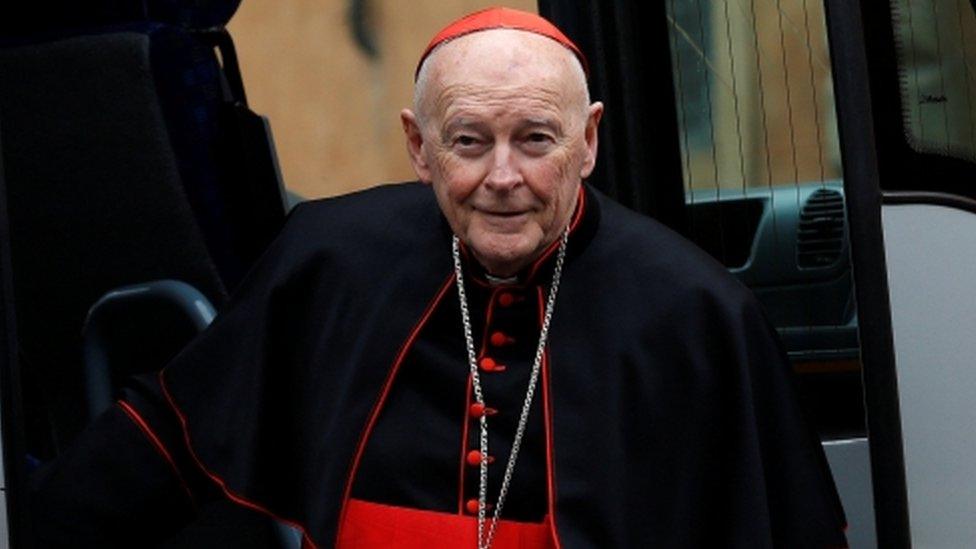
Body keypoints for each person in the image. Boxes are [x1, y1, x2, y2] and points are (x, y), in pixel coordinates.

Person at [30, 7, 847, 549]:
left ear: (589, 142)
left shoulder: (699, 310)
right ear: (418, 147)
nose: (503, 176)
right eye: (468, 141)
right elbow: (171, 437)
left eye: (535, 139)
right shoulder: (331, 257)